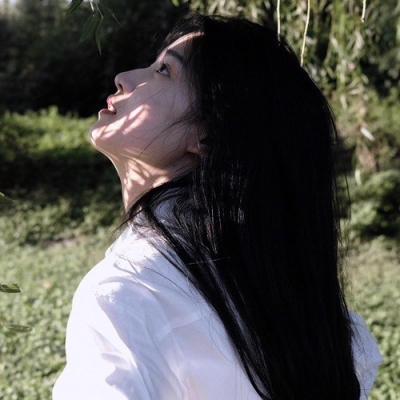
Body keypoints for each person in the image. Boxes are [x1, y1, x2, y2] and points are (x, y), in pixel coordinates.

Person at [53, 13, 382, 400]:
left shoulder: (125, 299)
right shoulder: (298, 304)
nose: (123, 77)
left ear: (208, 135)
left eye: (163, 71)